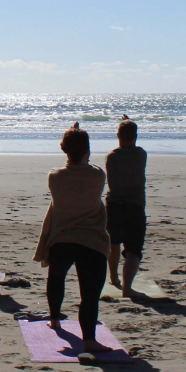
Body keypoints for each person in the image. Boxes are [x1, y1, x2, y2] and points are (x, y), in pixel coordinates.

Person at [33, 123, 112, 353]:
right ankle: (89, 339)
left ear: (64, 150)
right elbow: (90, 167)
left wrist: (73, 139)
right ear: (87, 150)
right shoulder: (98, 175)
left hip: (62, 240)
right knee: (89, 294)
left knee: (56, 278)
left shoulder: (54, 177)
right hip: (92, 241)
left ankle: (55, 319)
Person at [106, 115, 148, 299]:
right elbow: (132, 143)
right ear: (136, 136)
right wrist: (129, 123)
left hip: (114, 205)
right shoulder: (140, 154)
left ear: (117, 136)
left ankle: (114, 278)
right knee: (133, 250)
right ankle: (127, 288)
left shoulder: (112, 157)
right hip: (134, 206)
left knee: (114, 244)